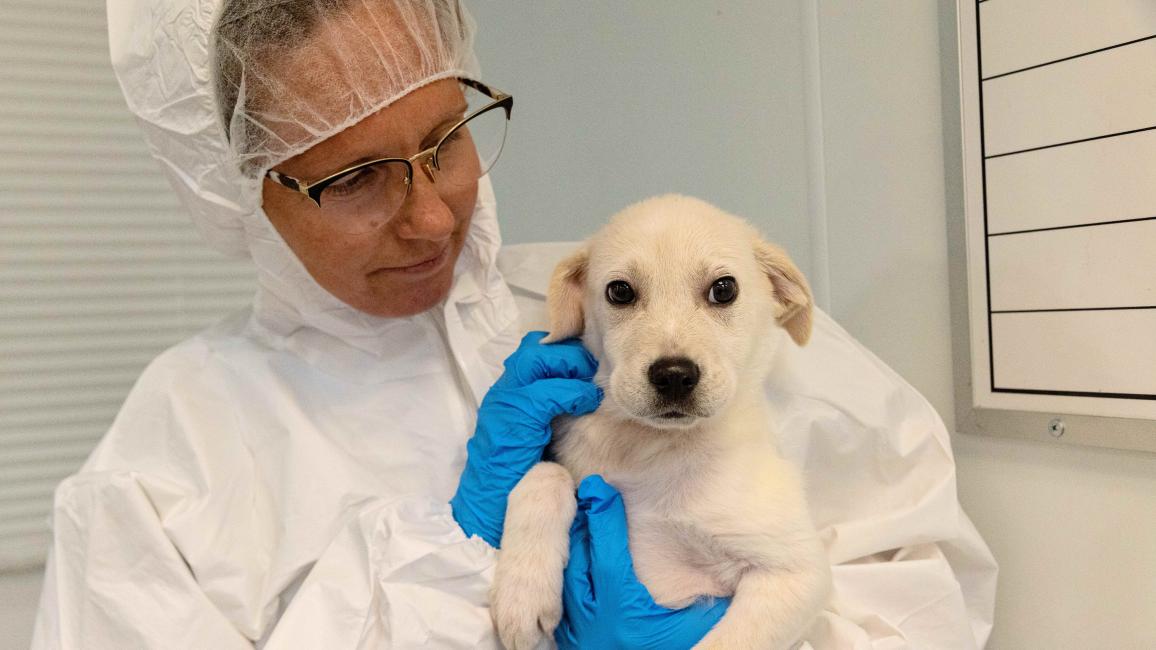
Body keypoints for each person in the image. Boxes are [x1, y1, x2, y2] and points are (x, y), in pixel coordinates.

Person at [33, 0, 997, 648]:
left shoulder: (620, 301)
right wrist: (449, 564)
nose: (433, 216)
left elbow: (926, 581)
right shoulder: (180, 448)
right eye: (354, 178)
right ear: (247, 191)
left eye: (446, 138)